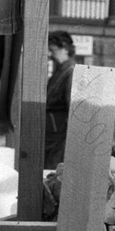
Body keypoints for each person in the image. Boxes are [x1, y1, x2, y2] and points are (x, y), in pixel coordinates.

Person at [43, 29, 77, 168]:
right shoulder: (61, 70)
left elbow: (72, 108)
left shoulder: (71, 72)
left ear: (65, 49)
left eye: (53, 50)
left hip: (60, 137)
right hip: (51, 135)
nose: (50, 55)